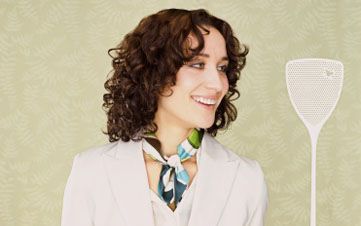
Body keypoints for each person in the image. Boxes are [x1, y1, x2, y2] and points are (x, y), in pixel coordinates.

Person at [61, 8, 268, 226]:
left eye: (222, 68)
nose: (217, 84)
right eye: (198, 64)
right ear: (155, 73)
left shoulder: (247, 179)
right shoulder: (90, 171)